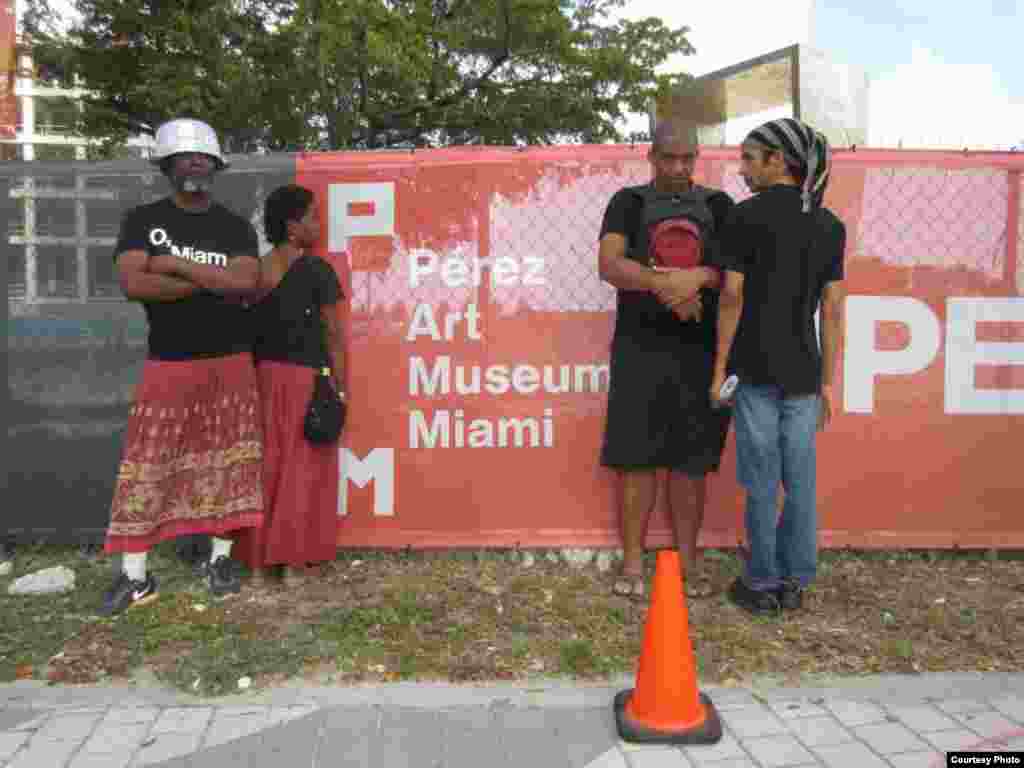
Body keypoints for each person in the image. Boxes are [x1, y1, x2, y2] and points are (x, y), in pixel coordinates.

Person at [99, 117, 264, 616]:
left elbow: (247, 283)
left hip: (230, 359)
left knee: (230, 461)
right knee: (148, 465)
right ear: (167, 165)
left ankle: (220, 562)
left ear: (214, 165)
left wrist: (173, 266)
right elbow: (134, 284)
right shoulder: (141, 219)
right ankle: (136, 577)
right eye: (185, 157)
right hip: (169, 361)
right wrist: (214, 280)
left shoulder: (233, 225)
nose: (195, 163)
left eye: (203, 157)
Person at [711, 118, 846, 615]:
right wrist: (829, 382)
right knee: (801, 479)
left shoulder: (744, 218)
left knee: (762, 478)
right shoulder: (829, 225)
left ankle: (762, 583)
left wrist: (719, 366)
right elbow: (831, 309)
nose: (742, 168)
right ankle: (795, 582)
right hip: (805, 373)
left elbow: (732, 296)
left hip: (754, 368)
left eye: (750, 158)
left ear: (778, 161)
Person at [598, 118, 735, 600]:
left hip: (700, 351)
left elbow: (729, 272)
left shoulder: (718, 205)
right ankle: (633, 566)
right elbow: (610, 265)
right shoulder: (627, 202)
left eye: (687, 158)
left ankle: (688, 566)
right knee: (635, 460)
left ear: (697, 159)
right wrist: (666, 285)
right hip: (640, 348)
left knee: (690, 463)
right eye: (669, 157)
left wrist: (696, 277)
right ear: (651, 158)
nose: (679, 167)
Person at [233, 185, 345, 587]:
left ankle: (262, 564)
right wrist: (341, 387)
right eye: (313, 216)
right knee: (304, 468)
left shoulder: (257, 271)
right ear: (293, 225)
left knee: (267, 466)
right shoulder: (317, 270)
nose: (319, 224)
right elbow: (333, 335)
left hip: (262, 378)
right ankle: (295, 563)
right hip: (305, 378)